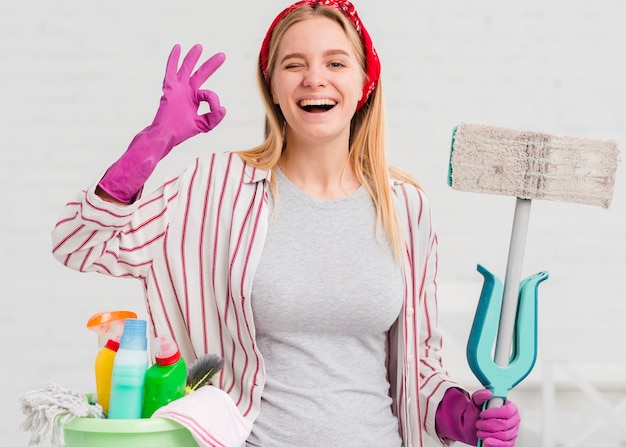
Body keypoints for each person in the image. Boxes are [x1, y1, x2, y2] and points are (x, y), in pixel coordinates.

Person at [51, 1, 521, 446]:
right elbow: (79, 244)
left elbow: (418, 371)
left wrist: (460, 412)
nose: (314, 79)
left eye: (336, 63)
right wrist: (150, 146)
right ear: (272, 85)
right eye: (294, 64)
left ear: (365, 82)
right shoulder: (215, 188)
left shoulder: (404, 207)